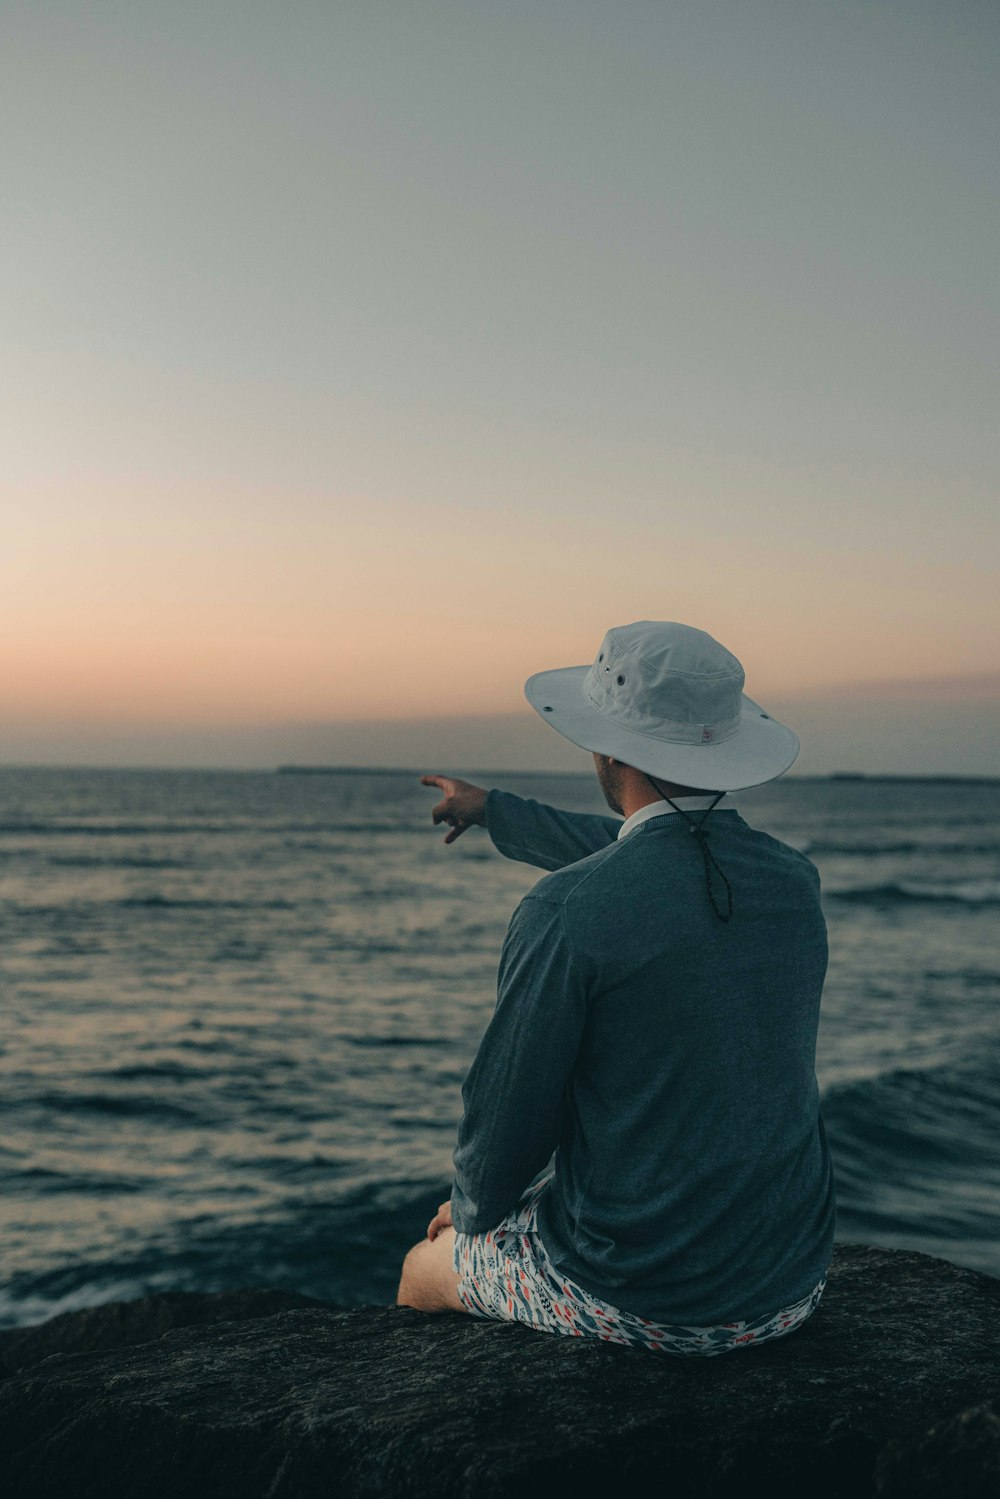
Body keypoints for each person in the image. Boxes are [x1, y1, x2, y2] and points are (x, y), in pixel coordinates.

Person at [396, 620, 835, 1354]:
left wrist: (468, 1215)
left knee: (424, 1266)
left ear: (605, 744)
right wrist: (495, 809)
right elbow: (655, 856)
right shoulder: (795, 882)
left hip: (650, 1298)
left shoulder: (565, 910)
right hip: (791, 1281)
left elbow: (504, 1127)